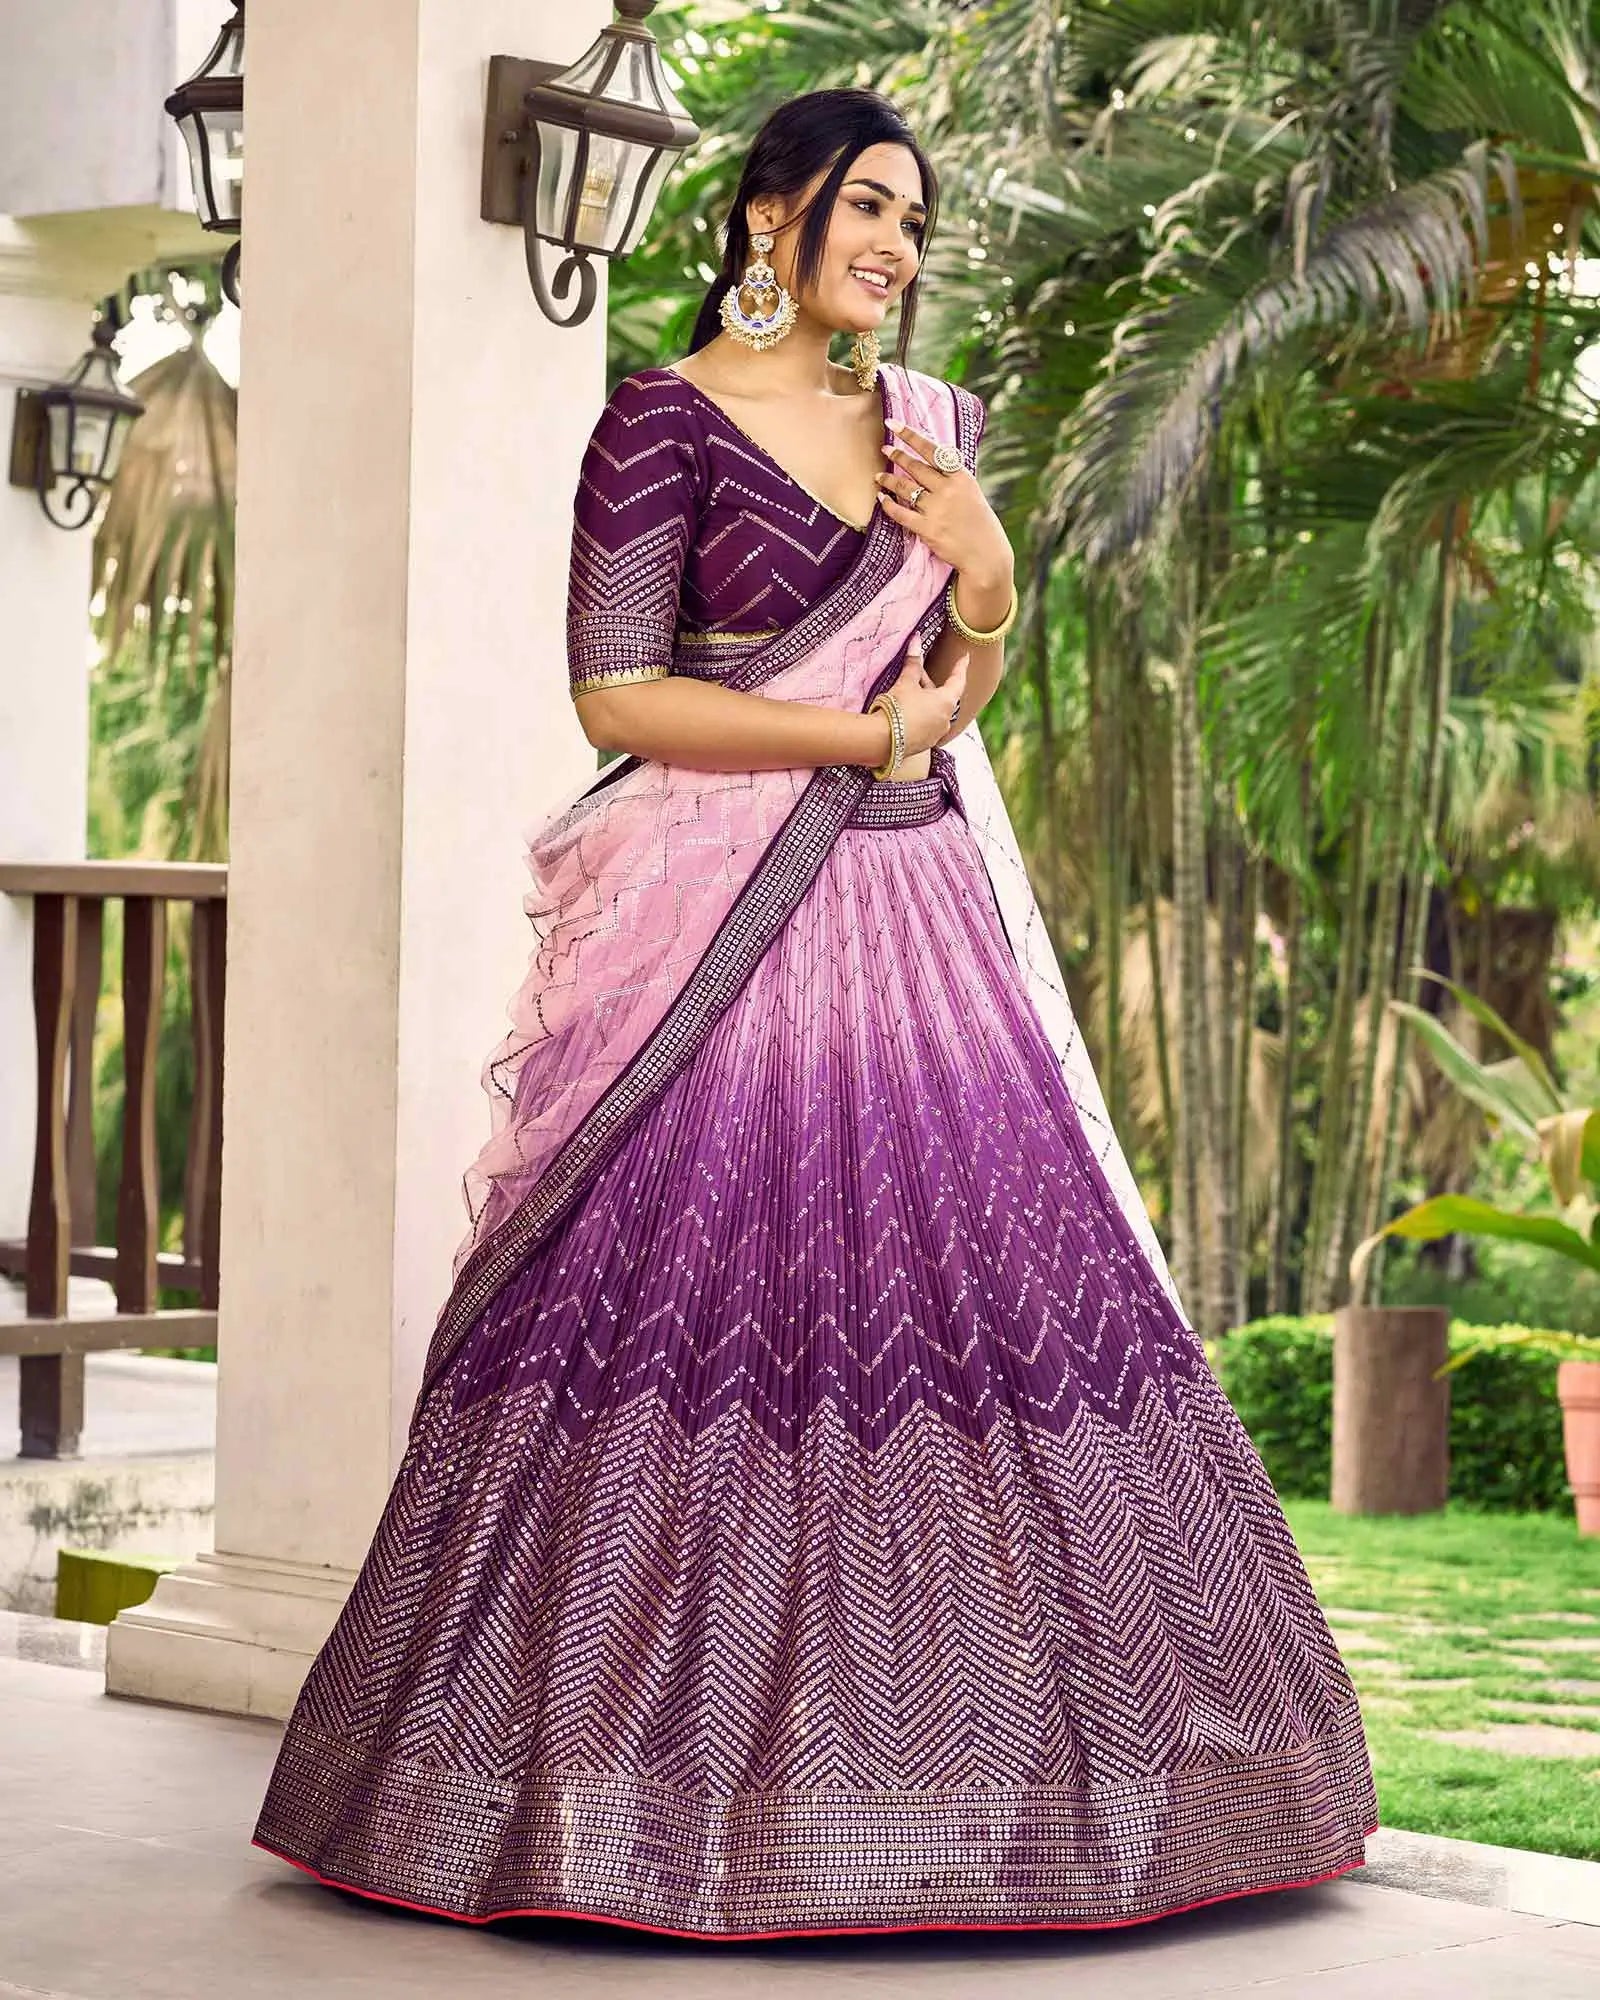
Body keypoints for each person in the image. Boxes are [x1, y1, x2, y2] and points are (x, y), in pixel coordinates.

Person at [253, 87, 1377, 1939]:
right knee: (693, 1304)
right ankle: (612, 1795)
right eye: (867, 207)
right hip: (716, 924)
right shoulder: (662, 422)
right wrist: (860, 736)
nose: (897, 247)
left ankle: (1006, 1798)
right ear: (769, 217)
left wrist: (990, 574)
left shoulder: (932, 431)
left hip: (916, 914)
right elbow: (619, 698)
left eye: (916, 222)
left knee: (994, 1302)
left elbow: (953, 684)